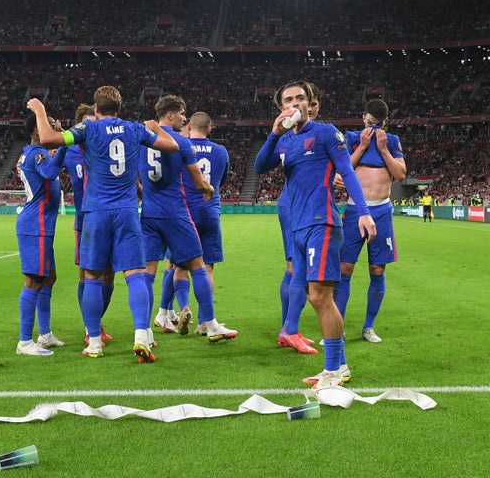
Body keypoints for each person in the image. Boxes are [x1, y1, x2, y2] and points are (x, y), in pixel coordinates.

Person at [27, 85, 178, 362]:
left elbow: (47, 138)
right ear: (119, 108)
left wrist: (40, 110)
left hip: (96, 212)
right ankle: (142, 335)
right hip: (127, 211)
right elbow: (172, 146)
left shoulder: (89, 129)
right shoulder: (134, 129)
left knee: (93, 277)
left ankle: (94, 342)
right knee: (135, 275)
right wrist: (157, 127)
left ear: (96, 109)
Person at [254, 81, 377, 390]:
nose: (294, 104)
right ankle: (338, 367)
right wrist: (274, 134)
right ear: (281, 108)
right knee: (315, 296)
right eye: (288, 100)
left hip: (322, 224)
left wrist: (362, 211)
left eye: (300, 98)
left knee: (320, 296)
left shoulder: (325, 133)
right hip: (298, 226)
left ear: (310, 103)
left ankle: (334, 370)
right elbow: (260, 166)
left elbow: (347, 171)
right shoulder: (285, 142)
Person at [140, 96, 238, 344]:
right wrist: (208, 189)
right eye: (182, 114)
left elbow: (132, 176)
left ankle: (145, 331)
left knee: (147, 274)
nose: (185, 118)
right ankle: (212, 325)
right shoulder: (182, 143)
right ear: (170, 115)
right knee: (198, 266)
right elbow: (198, 181)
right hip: (176, 213)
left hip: (149, 214)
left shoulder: (139, 141)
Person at [334, 99, 407, 344]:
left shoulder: (392, 141)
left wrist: (384, 149)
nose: (372, 126)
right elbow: (342, 169)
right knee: (345, 268)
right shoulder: (352, 137)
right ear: (363, 117)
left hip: (382, 212)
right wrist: (363, 147)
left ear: (384, 122)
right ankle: (338, 327)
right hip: (355, 211)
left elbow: (400, 175)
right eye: (369, 121)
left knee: (377, 269)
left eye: (377, 123)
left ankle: (368, 327)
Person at [55, 103, 115, 347]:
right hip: (85, 221)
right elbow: (48, 167)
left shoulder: (103, 148)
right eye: (89, 124)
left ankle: (96, 323)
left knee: (110, 274)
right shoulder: (71, 151)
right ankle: (90, 329)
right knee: (87, 273)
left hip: (109, 217)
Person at [275, 83, 324, 354]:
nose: (309, 107)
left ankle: (290, 327)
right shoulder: (288, 137)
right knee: (295, 267)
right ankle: (288, 328)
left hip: (311, 207)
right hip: (294, 206)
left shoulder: (322, 133)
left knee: (301, 269)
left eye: (312, 103)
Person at [14, 114, 66, 356]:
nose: (53, 127)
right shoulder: (38, 152)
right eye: (48, 124)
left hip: (41, 224)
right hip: (36, 225)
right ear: (37, 130)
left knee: (49, 277)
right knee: (34, 279)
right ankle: (25, 341)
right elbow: (51, 171)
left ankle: (44, 334)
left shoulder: (33, 151)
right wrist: (64, 144)